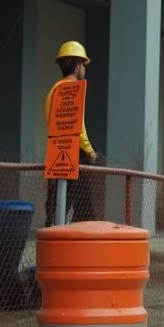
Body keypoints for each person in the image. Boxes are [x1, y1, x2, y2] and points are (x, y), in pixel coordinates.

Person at [43, 41, 101, 227]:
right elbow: (77, 125)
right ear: (77, 66)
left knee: (57, 203)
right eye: (83, 64)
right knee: (83, 206)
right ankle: (80, 243)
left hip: (56, 150)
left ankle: (54, 235)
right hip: (75, 152)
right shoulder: (73, 89)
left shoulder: (53, 90)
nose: (84, 68)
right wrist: (89, 151)